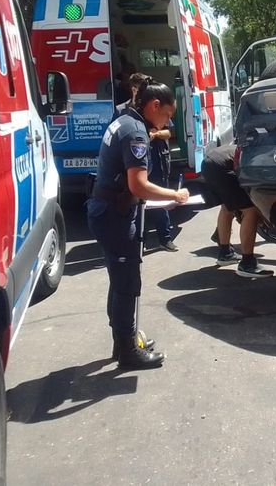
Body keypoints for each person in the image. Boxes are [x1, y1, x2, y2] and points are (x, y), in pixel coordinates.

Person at [87, 78, 189, 369]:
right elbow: (139, 185)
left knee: (119, 282)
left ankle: (123, 342)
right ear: (154, 105)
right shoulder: (136, 134)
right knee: (127, 285)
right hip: (114, 216)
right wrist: (175, 195)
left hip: (106, 211)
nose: (167, 121)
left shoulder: (125, 121)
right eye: (168, 114)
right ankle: (128, 352)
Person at [201, 141, 274, 278]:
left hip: (207, 163)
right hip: (221, 167)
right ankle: (247, 263)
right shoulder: (261, 154)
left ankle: (225, 253)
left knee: (226, 208)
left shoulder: (246, 146)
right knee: (251, 211)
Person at [146, 117, 178, 251]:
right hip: (140, 164)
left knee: (161, 202)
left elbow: (169, 133)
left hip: (159, 163)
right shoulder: (128, 114)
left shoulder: (158, 112)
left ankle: (165, 239)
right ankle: (139, 242)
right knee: (138, 206)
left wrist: (155, 134)